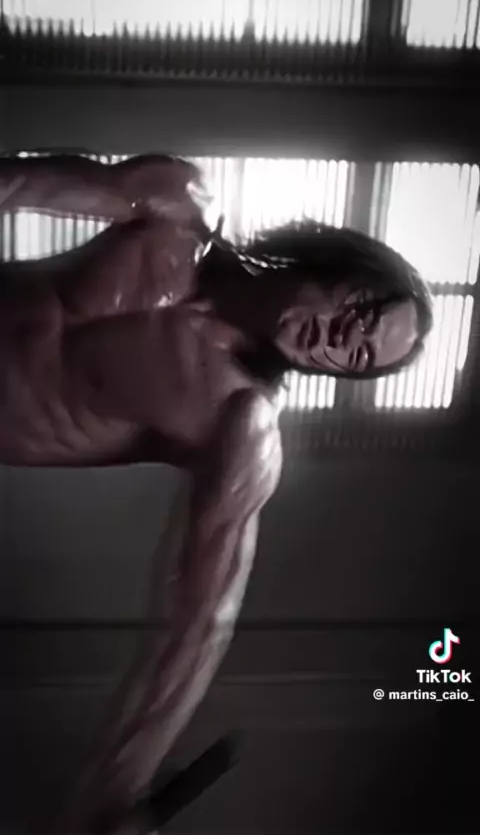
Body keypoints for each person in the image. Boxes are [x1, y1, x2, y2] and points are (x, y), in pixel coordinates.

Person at [0, 153, 433, 833]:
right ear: (340, 263)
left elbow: (199, 627)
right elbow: (18, 181)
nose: (341, 340)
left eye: (358, 357)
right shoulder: (177, 205)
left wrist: (119, 784)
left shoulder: (240, 426)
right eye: (363, 312)